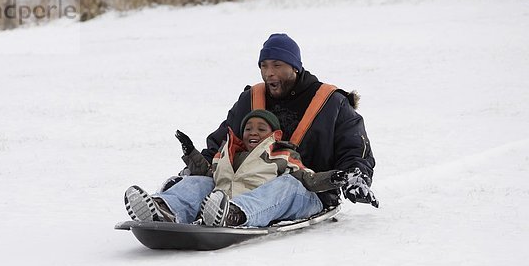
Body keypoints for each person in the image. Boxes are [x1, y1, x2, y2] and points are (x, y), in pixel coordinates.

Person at [199, 33, 378, 210]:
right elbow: (223, 143)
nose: (269, 73)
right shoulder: (251, 99)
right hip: (246, 186)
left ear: (295, 68)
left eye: (277, 65)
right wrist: (196, 171)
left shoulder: (331, 103)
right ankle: (173, 207)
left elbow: (354, 149)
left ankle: (234, 213)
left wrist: (356, 178)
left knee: (285, 185)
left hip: (309, 191)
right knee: (200, 184)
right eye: (264, 66)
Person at [124, 109, 347, 227]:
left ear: (272, 135)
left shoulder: (281, 153)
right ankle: (164, 209)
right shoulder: (228, 155)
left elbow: (308, 179)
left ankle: (234, 215)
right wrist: (191, 152)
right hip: (226, 201)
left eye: (261, 128)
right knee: (203, 182)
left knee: (288, 183)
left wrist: (333, 178)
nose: (253, 132)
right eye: (248, 128)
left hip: (288, 202)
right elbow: (207, 174)